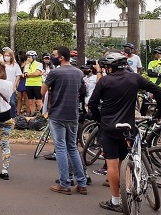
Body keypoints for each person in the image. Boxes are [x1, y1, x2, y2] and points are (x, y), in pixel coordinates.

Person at [89, 53, 161, 211]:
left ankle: (115, 201)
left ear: (110, 68)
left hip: (108, 127)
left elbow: (92, 103)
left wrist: (99, 119)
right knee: (125, 159)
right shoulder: (135, 78)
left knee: (112, 163)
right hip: (128, 127)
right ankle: (128, 188)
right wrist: (158, 112)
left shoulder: (104, 81)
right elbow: (157, 90)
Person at [43, 46, 88, 195]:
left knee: (61, 148)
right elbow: (82, 92)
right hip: (73, 114)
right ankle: (82, 183)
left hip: (57, 114)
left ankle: (65, 184)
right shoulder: (79, 73)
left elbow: (43, 91)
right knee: (73, 148)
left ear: (61, 58)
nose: (54, 57)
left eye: (56, 55)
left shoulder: (55, 72)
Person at [21, 50, 43, 116]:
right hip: (28, 84)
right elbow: (24, 75)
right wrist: (30, 74)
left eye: (29, 57)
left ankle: (43, 116)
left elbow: (37, 73)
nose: (28, 58)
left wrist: (28, 74)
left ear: (34, 57)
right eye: (27, 57)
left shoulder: (39, 64)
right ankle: (33, 114)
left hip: (37, 84)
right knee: (30, 101)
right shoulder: (27, 65)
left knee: (38, 102)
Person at [2, 50, 22, 118]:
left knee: (12, 102)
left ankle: (12, 117)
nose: (6, 57)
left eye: (8, 55)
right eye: (5, 55)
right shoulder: (2, 65)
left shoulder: (15, 65)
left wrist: (15, 84)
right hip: (2, 86)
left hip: (11, 86)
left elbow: (18, 75)